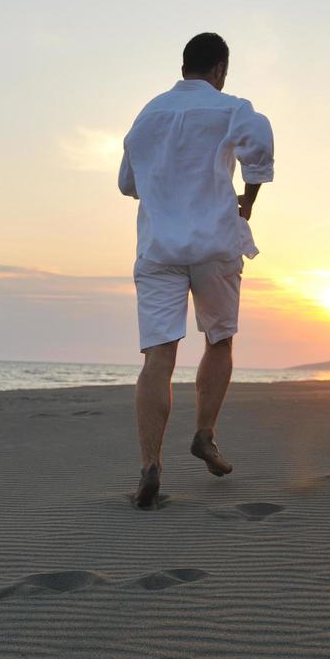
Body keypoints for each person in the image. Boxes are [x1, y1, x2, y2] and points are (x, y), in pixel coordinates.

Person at [118, 32, 275, 508]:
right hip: (213, 243)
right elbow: (259, 144)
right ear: (220, 69)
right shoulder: (231, 107)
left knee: (158, 358)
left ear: (183, 65)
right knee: (219, 339)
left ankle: (150, 463)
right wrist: (249, 198)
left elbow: (129, 184)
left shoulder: (147, 115)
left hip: (159, 248)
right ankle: (204, 434)